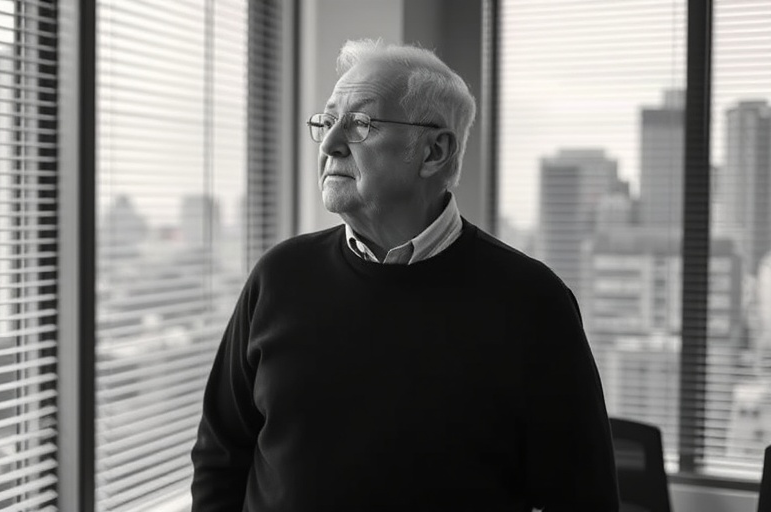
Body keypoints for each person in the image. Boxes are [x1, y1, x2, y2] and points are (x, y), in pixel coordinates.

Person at [191, 39, 619, 511]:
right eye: (327, 120)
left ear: (434, 151)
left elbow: (584, 498)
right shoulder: (278, 275)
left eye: (358, 123)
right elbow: (220, 454)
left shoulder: (534, 303)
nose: (331, 143)